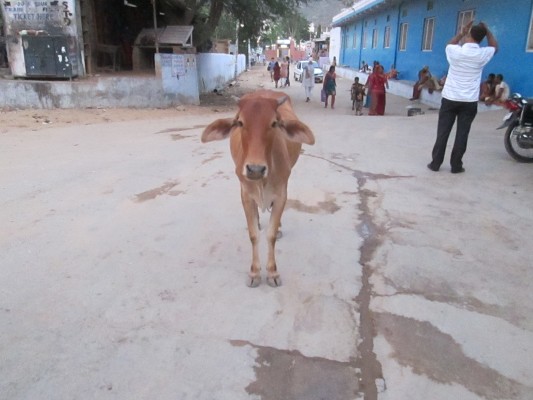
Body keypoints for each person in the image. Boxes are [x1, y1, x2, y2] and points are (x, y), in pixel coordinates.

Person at [427, 21, 498, 174]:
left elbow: (449, 44)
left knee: (443, 132)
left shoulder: (456, 51)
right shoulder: (482, 53)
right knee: (462, 134)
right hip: (469, 102)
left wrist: (461, 32)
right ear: (481, 38)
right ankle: (456, 166)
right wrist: (488, 31)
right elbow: (495, 47)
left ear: (468, 35)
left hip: (450, 98)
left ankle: (435, 163)